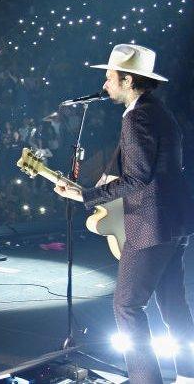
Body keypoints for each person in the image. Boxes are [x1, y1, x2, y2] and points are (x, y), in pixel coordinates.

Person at [55, 44, 194, 384]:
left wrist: (86, 195)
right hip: (175, 223)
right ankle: (190, 375)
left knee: (127, 307)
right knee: (173, 305)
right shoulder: (157, 111)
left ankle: (146, 380)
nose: (105, 84)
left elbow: (137, 177)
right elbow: (143, 165)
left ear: (128, 80)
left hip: (150, 226)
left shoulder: (137, 117)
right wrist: (99, 183)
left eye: (109, 77)